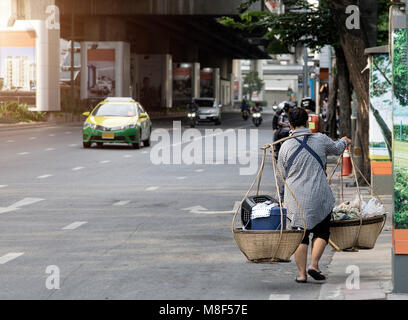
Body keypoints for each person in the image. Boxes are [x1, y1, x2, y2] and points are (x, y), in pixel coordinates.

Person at [277, 107, 351, 283]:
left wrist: (281, 199)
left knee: (300, 235)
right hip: (319, 195)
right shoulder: (321, 139)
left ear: (290, 124)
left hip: (295, 198)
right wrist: (344, 141)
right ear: (307, 121)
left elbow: (281, 176)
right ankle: (314, 265)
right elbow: (338, 148)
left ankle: (302, 274)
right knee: (322, 231)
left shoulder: (285, 145)